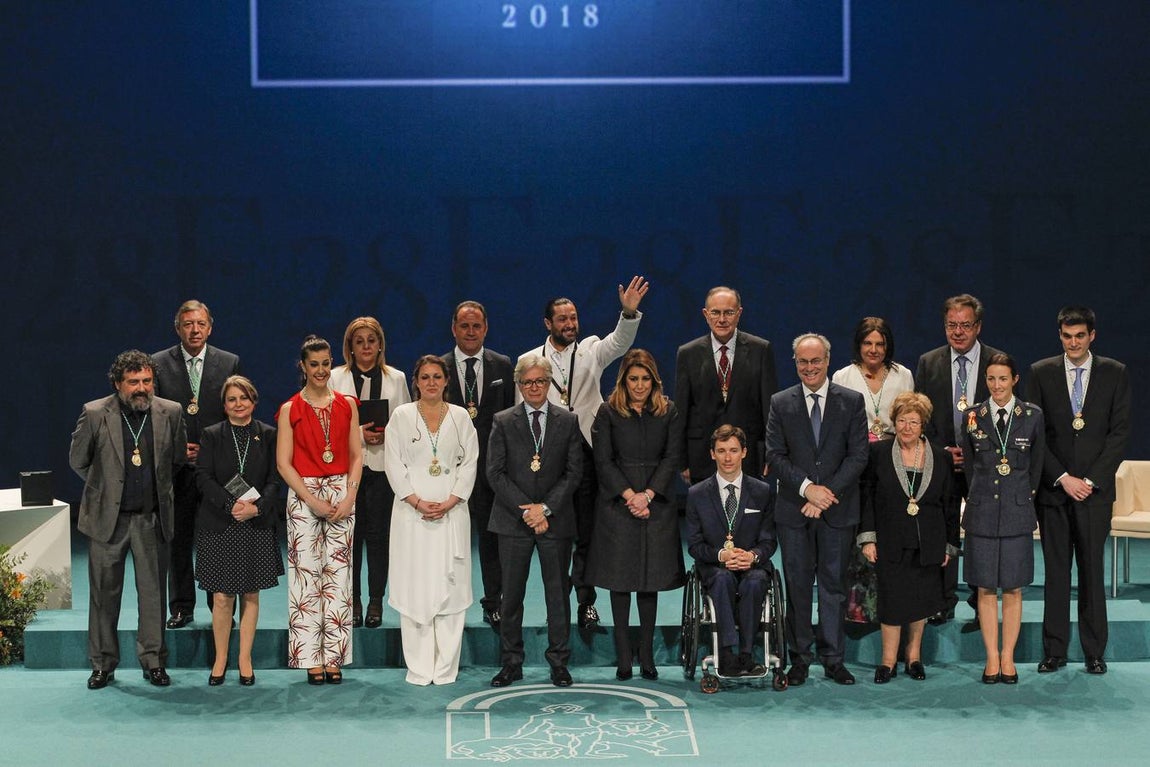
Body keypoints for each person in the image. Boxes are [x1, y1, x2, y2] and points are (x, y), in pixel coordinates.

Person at [519, 276, 649, 630]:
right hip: (549, 459)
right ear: (548, 324)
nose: (570, 324)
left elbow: (621, 342)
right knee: (555, 534)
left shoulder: (592, 349)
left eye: (574, 317)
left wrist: (628, 312)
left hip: (589, 453)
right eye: (562, 319)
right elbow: (522, 415)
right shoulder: (530, 360)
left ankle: (586, 603)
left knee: (588, 534)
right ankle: (556, 605)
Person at [69, 350, 187, 689]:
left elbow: (177, 460)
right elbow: (78, 461)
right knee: (104, 594)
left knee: (153, 595)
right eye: (133, 382)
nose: (141, 388)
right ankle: (103, 664)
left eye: (147, 381)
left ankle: (153, 661)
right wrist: (104, 492)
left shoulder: (171, 412)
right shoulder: (94, 413)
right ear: (118, 383)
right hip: (109, 521)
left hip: (151, 519)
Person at [1026, 306, 1130, 675]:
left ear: (1092, 336)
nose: (1073, 342)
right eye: (1067, 336)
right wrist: (1062, 478)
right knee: (1055, 573)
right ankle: (1054, 651)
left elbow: (1119, 434)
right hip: (1055, 492)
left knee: (1091, 572)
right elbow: (1035, 435)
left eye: (1080, 336)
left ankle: (1093, 652)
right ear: (1060, 336)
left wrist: (1090, 480)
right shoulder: (1041, 373)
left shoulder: (1114, 373)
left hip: (1094, 494)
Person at [766, 333, 868, 686]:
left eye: (816, 361)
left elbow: (858, 455)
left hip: (837, 510)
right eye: (802, 362)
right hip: (795, 510)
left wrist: (826, 494)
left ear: (827, 361)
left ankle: (833, 658)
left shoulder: (851, 402)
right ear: (795, 363)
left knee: (833, 587)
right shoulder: (781, 403)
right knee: (797, 585)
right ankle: (800, 658)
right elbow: (775, 455)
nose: (809, 368)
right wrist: (808, 490)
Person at [585, 349, 685, 681]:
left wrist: (649, 496)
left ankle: (647, 658)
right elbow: (604, 461)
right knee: (621, 582)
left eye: (645, 379)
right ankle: (624, 658)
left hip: (656, 507)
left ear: (654, 380)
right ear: (623, 381)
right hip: (618, 507)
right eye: (633, 379)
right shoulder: (608, 412)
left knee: (649, 582)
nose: (639, 385)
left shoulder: (668, 411)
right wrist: (630, 496)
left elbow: (672, 458)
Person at [487, 355, 584, 688]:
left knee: (557, 596)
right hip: (513, 522)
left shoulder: (568, 420)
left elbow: (574, 473)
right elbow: (494, 473)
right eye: (527, 382)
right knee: (511, 596)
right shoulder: (502, 420)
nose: (533, 388)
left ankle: (559, 662)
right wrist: (526, 510)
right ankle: (511, 663)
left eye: (540, 382)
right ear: (519, 385)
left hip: (555, 521)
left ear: (549, 384)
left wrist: (545, 509)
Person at [383, 355, 478, 685]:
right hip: (412, 515)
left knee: (450, 588)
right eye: (425, 377)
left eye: (437, 376)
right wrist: (416, 500)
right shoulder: (402, 416)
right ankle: (420, 667)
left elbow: (470, 463)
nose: (432, 382)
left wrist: (451, 500)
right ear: (416, 381)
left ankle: (445, 667)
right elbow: (393, 464)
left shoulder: (461, 417)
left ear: (447, 380)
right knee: (416, 586)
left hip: (452, 514)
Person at [276, 335, 363, 685]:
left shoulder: (347, 404)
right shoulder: (289, 409)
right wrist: (311, 500)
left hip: (342, 490)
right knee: (306, 576)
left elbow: (358, 455)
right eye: (314, 364)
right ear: (303, 366)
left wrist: (349, 497)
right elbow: (284, 463)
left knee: (339, 577)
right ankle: (310, 657)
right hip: (304, 494)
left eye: (326, 363)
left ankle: (335, 657)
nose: (321, 370)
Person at [914, 293, 1004, 624]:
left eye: (965, 325)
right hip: (942, 462)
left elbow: (1005, 413)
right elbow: (920, 414)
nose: (958, 332)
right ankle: (944, 600)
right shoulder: (929, 362)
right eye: (952, 325)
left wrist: (974, 451)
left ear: (978, 326)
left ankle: (982, 602)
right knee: (944, 531)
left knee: (982, 534)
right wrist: (941, 451)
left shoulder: (997, 361)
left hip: (985, 465)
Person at [152, 299, 242, 629]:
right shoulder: (158, 364)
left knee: (218, 539)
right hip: (175, 469)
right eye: (188, 324)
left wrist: (209, 451)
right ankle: (181, 607)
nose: (195, 329)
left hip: (214, 470)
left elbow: (236, 412)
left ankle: (221, 606)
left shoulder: (228, 362)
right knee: (177, 539)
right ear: (178, 328)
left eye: (201, 324)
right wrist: (178, 449)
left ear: (210, 327)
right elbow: (154, 417)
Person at [858, 392, 959, 684]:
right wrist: (868, 538)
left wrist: (949, 545)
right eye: (902, 421)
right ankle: (888, 662)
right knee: (891, 601)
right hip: (890, 539)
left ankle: (914, 658)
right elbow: (867, 497)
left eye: (913, 422)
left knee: (920, 601)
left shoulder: (940, 456)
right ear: (895, 422)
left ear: (923, 424)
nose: (907, 427)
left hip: (929, 540)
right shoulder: (878, 453)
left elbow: (950, 503)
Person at [194, 375, 283, 686]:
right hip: (220, 523)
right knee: (221, 597)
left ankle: (245, 658)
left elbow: (276, 478)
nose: (238, 404)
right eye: (231, 399)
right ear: (224, 405)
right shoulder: (212, 435)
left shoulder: (268, 435)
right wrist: (229, 504)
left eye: (243, 398)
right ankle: (221, 658)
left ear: (253, 401)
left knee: (250, 593)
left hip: (255, 523)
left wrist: (256, 508)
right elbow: (203, 476)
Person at [961, 353, 1044, 684]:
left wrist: (1021, 499)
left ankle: (1008, 657)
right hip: (981, 513)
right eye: (991, 379)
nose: (997, 385)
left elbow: (1036, 468)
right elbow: (969, 467)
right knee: (984, 588)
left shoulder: (1032, 416)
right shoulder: (972, 416)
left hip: (1016, 513)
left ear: (1015, 380)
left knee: (1012, 588)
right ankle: (991, 658)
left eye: (1003, 379)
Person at [329, 316, 410, 628]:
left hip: (381, 469)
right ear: (350, 346)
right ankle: (354, 601)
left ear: (380, 346)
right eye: (359, 341)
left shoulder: (397, 379)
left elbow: (405, 421)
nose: (365, 347)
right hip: (347, 470)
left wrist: (389, 433)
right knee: (349, 537)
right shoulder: (335, 379)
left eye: (371, 341)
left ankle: (376, 601)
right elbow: (330, 425)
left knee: (379, 538)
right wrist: (360, 435)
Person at [442, 301, 516, 631]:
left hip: (490, 469)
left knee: (490, 539)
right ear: (454, 329)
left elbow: (511, 420)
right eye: (464, 326)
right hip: (448, 470)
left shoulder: (502, 365)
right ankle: (445, 600)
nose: (470, 332)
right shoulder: (440, 367)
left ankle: (493, 602)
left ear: (485, 329)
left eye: (476, 326)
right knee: (447, 540)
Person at [685, 425, 777, 676]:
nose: (728, 458)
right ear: (712, 454)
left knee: (756, 582)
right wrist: (721, 556)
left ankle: (746, 655)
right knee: (723, 578)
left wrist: (751, 556)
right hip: (715, 567)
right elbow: (694, 544)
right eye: (722, 451)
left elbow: (769, 541)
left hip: (752, 566)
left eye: (733, 450)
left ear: (744, 453)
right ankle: (726, 654)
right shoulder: (697, 494)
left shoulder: (762, 491)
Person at [675, 286, 778, 484]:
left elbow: (770, 409)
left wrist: (769, 453)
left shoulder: (761, 350)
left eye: (728, 312)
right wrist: (682, 460)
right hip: (701, 456)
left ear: (739, 313)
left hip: (748, 457)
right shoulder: (688, 353)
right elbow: (681, 411)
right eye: (715, 312)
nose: (722, 319)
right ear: (706, 314)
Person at [831, 317, 915, 441]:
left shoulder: (903, 375)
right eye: (867, 343)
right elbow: (837, 424)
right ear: (859, 345)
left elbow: (911, 418)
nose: (873, 350)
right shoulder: (842, 377)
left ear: (888, 346)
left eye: (880, 344)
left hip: (894, 450)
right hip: (856, 449)